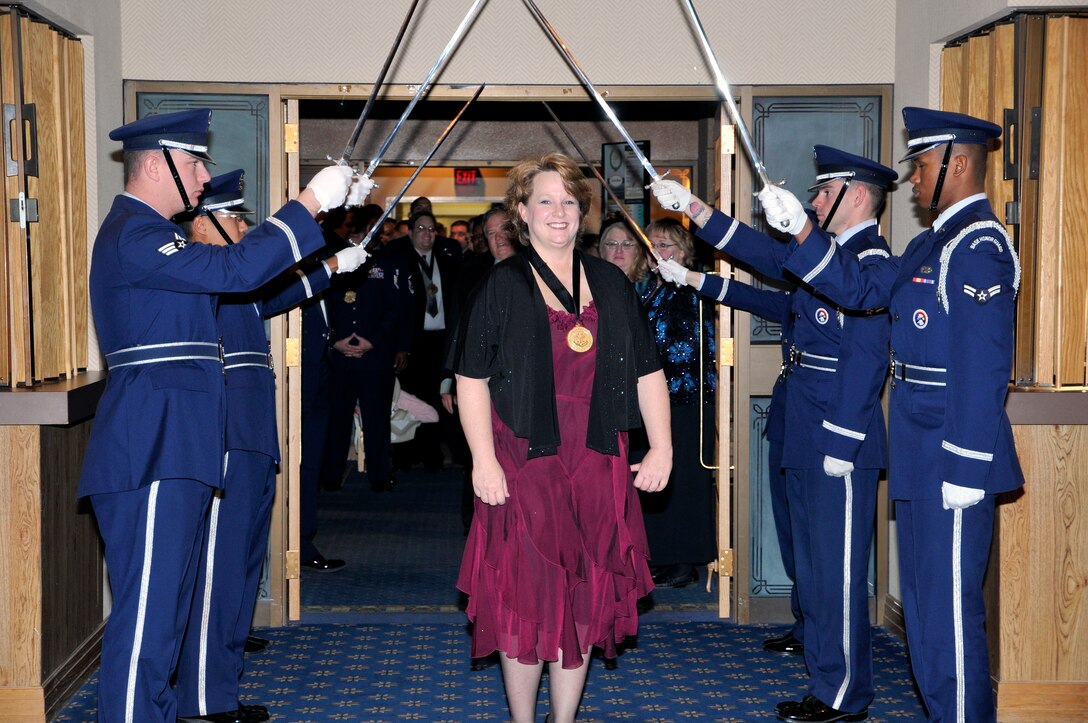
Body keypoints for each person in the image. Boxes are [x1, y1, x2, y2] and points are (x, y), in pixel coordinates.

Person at [78, 108, 360, 723]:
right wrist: (311, 200)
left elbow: (247, 285)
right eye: (194, 161)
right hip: (153, 445)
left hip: (175, 444)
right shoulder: (136, 233)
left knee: (167, 614)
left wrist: (324, 242)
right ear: (156, 164)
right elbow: (235, 269)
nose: (205, 174)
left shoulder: (155, 235)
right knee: (149, 621)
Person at [758, 108, 1024, 723]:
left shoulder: (979, 246)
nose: (914, 177)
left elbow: (984, 368)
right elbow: (861, 294)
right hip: (918, 448)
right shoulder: (932, 242)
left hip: (952, 455)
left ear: (957, 165)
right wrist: (800, 232)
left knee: (950, 617)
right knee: (929, 613)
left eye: (923, 163)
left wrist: (966, 463)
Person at [653, 145, 897, 723]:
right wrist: (693, 209)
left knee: (836, 571)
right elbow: (764, 253)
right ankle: (824, 671)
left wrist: (841, 440)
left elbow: (866, 357)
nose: (812, 201)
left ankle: (843, 694)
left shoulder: (873, 260)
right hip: (806, 424)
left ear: (855, 194)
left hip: (839, 434)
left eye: (822, 191)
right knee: (812, 561)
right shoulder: (831, 252)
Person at [449, 152, 672, 723]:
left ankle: (564, 717)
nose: (558, 211)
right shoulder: (502, 283)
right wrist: (482, 462)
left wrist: (663, 445)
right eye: (544, 200)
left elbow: (648, 371)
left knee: (585, 588)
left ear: (583, 213)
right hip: (525, 456)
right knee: (525, 591)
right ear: (521, 212)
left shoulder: (610, 281)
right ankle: (524, 719)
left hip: (597, 455)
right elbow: (470, 377)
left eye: (569, 201)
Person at [175, 170, 370, 723]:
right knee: (219, 567)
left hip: (252, 436)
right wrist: (313, 211)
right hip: (226, 439)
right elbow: (257, 282)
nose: (243, 227)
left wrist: (333, 267)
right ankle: (205, 699)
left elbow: (271, 296)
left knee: (238, 563)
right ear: (201, 226)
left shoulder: (226, 281)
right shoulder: (200, 273)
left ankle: (224, 661)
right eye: (234, 218)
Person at [637, 218, 717, 589]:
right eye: (653, 246)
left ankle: (684, 559)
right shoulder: (652, 289)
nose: (659, 252)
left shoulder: (692, 289)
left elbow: (695, 346)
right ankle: (665, 555)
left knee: (685, 478)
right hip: (657, 398)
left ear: (684, 251)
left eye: (666, 245)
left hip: (687, 396)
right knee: (660, 479)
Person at [323, 213, 414, 495]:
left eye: (363, 234)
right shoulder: (332, 264)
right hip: (339, 356)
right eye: (354, 234)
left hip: (374, 356)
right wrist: (335, 340)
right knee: (337, 420)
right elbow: (324, 306)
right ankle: (330, 475)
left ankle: (379, 475)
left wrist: (372, 341)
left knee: (376, 420)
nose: (358, 239)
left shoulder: (385, 265)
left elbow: (394, 309)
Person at [389, 209, 460, 472]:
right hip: (412, 342)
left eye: (431, 229)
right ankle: (405, 455)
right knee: (408, 399)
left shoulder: (448, 261)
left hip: (440, 341)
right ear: (410, 233)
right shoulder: (400, 261)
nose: (426, 234)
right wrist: (400, 345)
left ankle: (432, 454)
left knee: (436, 397)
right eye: (420, 229)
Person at [599, 218, 652, 295]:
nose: (619, 250)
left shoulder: (649, 286)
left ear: (637, 251)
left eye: (626, 244)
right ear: (602, 250)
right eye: (612, 244)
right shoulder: (591, 283)